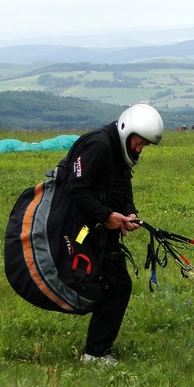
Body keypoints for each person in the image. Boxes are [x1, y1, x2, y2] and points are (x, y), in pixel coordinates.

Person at [67, 102, 164, 365]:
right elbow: (75, 188)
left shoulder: (119, 151)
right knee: (117, 285)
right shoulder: (99, 146)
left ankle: (96, 350)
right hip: (82, 229)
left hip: (102, 227)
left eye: (144, 145)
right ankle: (95, 353)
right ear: (126, 130)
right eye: (139, 142)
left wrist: (129, 214)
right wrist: (106, 216)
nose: (139, 148)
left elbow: (122, 187)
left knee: (115, 285)